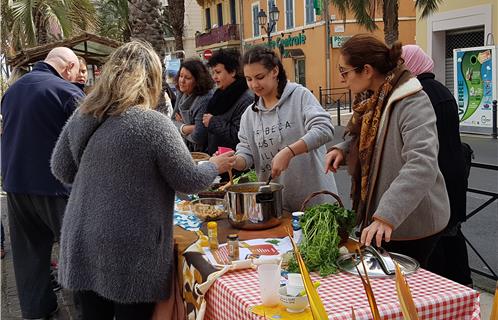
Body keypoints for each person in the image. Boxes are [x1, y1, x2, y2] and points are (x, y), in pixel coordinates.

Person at [50, 40, 235, 320]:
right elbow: (188, 180)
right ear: (151, 80)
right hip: (131, 251)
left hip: (83, 238)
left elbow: (61, 169)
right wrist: (214, 165)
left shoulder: (85, 113)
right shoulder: (153, 124)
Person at [325, 34, 450, 268]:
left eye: (345, 72)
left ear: (367, 70)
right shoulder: (373, 98)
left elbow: (421, 164)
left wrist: (386, 215)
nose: (342, 80)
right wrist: (343, 149)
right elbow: (369, 141)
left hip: (411, 223)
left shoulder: (412, 101)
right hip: (387, 220)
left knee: (404, 293)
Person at [1, 47, 82, 319]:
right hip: (54, 187)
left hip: (16, 184)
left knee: (28, 255)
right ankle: (86, 309)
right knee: (75, 250)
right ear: (69, 67)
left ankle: (37, 310)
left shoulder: (12, 90)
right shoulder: (66, 91)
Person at [232, 46, 337, 212]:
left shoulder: (300, 96)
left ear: (274, 71)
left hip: (315, 201)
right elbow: (246, 154)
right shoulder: (249, 115)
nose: (254, 84)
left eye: (259, 77)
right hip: (276, 204)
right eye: (249, 79)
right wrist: (232, 161)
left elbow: (324, 129)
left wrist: (289, 151)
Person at [402, 45, 472, 285]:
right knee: (452, 233)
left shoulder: (420, 94)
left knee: (438, 239)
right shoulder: (442, 90)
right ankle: (463, 283)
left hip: (437, 175)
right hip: (454, 172)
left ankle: (444, 287)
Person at [204, 49, 253, 156]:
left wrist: (213, 122)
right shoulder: (219, 94)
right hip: (218, 158)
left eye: (218, 72)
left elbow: (239, 134)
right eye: (213, 73)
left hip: (235, 162)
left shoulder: (245, 99)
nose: (214, 77)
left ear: (233, 72)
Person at [171, 59, 214, 152]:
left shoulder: (204, 99)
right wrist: (187, 127)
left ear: (198, 81)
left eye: (187, 78)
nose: (182, 81)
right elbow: (172, 122)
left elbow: (198, 136)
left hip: (202, 151)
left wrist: (181, 126)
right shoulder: (182, 93)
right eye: (181, 76)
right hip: (185, 147)